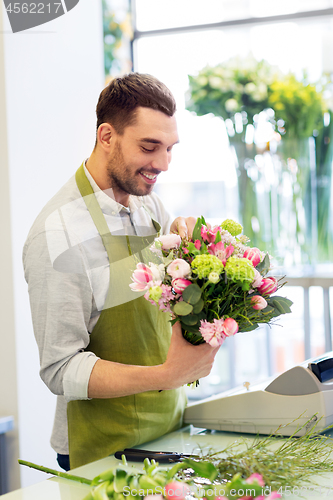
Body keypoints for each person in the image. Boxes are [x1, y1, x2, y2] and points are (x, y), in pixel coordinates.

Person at [23, 73, 219, 471]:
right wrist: (166, 375)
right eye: (149, 147)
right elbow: (60, 369)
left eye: (169, 149)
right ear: (107, 136)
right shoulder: (57, 234)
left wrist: (192, 248)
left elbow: (164, 302)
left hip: (167, 430)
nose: (162, 164)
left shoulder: (150, 208)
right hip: (102, 448)